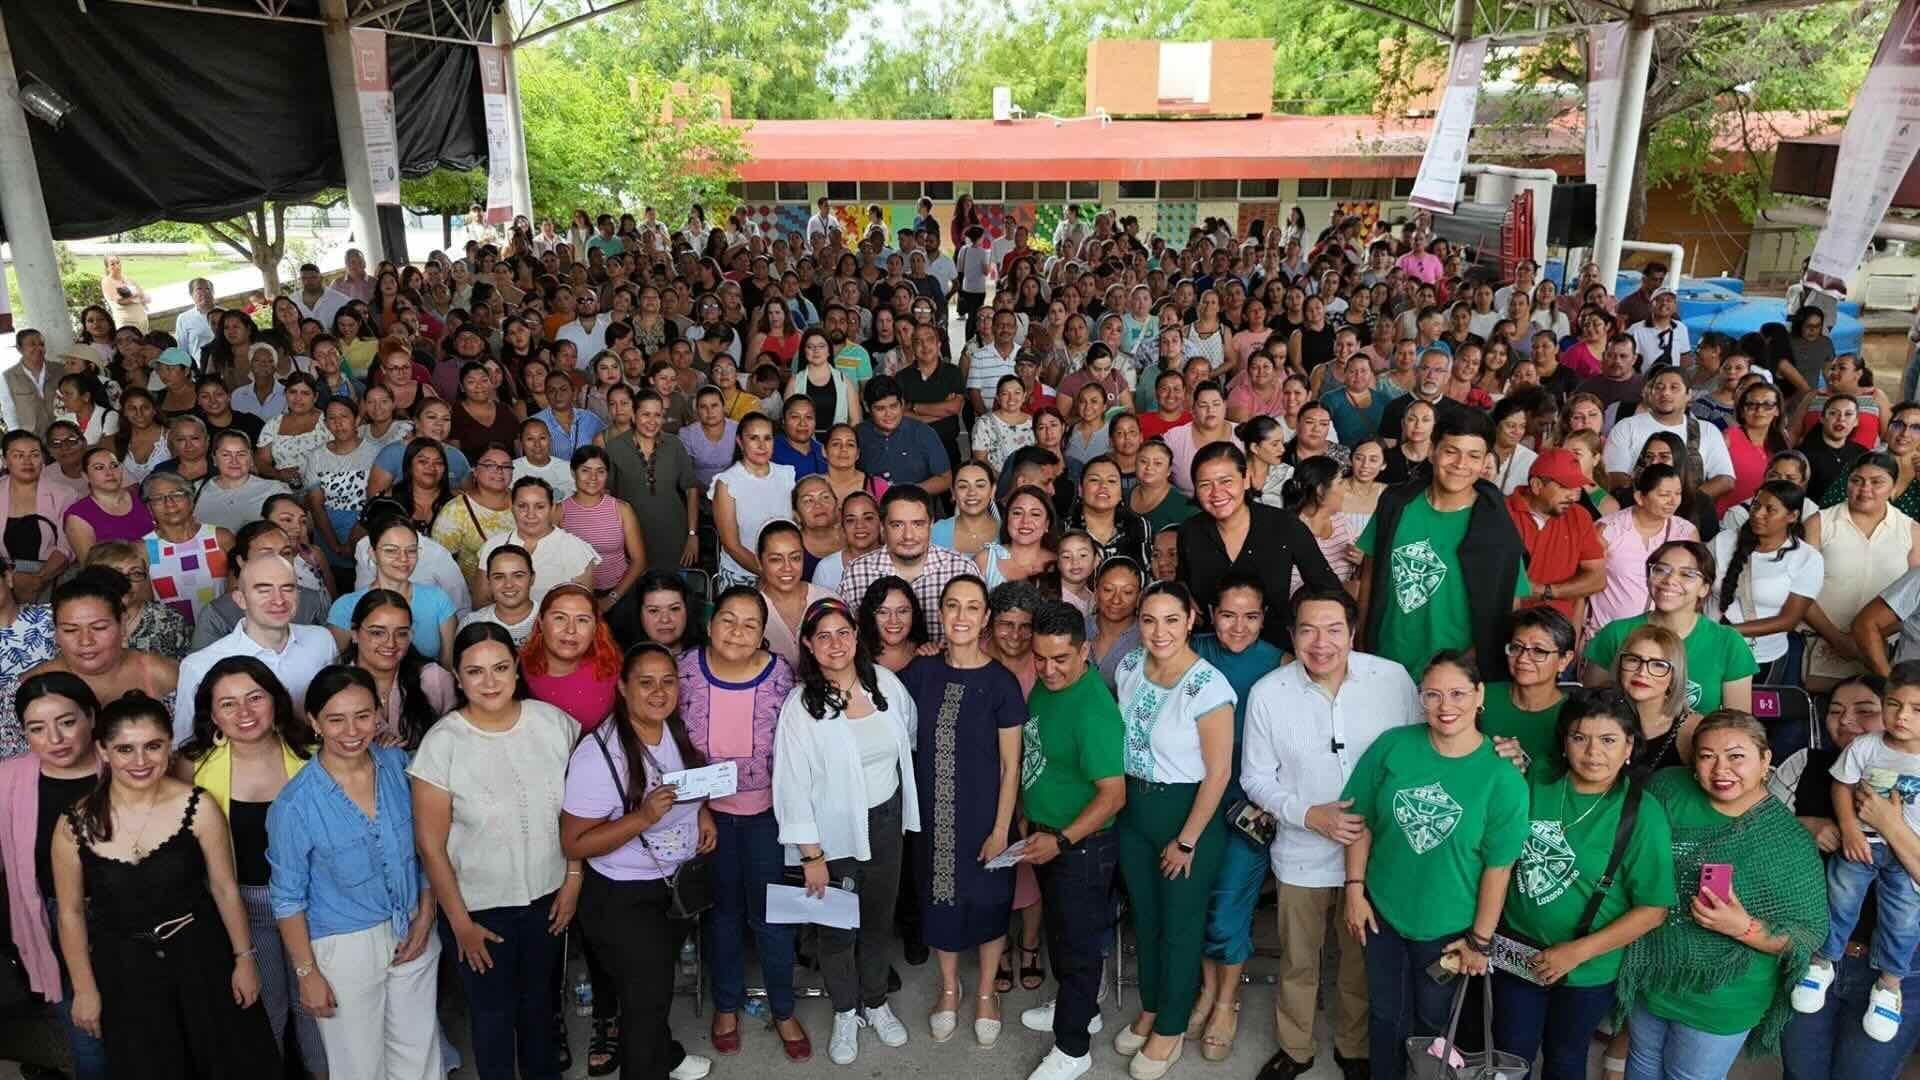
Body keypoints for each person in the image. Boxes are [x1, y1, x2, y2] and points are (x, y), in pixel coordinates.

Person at [49, 691, 282, 1077]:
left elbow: (225, 889)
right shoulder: (75, 823)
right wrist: (85, 988)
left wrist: (244, 960)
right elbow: (71, 913)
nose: (140, 761)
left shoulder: (198, 806)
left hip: (202, 957)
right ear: (103, 751)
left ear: (169, 746)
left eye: (153, 746)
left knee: (230, 1063)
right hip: (124, 970)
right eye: (125, 749)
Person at [1242, 586, 1417, 1080]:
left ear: (1352, 631)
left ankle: (1353, 1046)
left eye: (1334, 629)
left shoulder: (1392, 680)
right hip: (1300, 852)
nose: (1322, 643)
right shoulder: (1269, 693)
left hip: (1377, 853)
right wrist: (1307, 814)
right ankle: (1295, 1048)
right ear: (1293, 634)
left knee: (1360, 961)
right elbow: (1255, 777)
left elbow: (1421, 748)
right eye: (1308, 630)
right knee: (1299, 960)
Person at [1339, 651, 1529, 1080]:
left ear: (1480, 695)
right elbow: (1359, 821)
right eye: (1434, 695)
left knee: (1436, 1025)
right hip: (1382, 913)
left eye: (1459, 693)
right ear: (1420, 698)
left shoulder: (1502, 777)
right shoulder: (1393, 745)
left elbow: (1498, 868)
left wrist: (1480, 942)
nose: (1446, 706)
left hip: (1451, 928)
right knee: (1386, 1015)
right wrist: (1354, 889)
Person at [411, 622, 582, 1080]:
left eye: (501, 668)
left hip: (548, 900)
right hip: (480, 911)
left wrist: (572, 880)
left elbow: (578, 814)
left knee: (540, 1011)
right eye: (475, 672)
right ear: (458, 677)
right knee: (491, 1018)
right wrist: (461, 923)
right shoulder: (441, 744)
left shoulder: (553, 724)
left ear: (516, 668)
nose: (490, 682)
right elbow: (430, 844)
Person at [1615, 711, 1827, 1078]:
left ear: (1765, 761)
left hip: (1724, 995)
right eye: (1707, 755)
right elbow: (1627, 852)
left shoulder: (1786, 840)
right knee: (1642, 1064)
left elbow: (1806, 935)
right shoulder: (1667, 789)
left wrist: (1742, 926)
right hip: (1653, 967)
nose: (1720, 769)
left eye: (1736, 756)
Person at [1493, 687, 1675, 1080]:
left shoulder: (1643, 813)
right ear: (1564, 742)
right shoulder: (1536, 778)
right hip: (1517, 948)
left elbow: (1653, 909)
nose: (1594, 753)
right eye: (1580, 738)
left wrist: (1576, 953)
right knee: (1509, 1055)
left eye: (1608, 740)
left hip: (1587, 968)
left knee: (1565, 1056)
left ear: (1630, 746)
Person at [560, 642, 718, 1080]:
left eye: (668, 682)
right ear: (623, 688)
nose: (658, 692)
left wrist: (702, 812)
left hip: (672, 886)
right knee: (647, 999)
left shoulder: (673, 731)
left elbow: (682, 787)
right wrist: (641, 817)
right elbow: (574, 843)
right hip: (621, 897)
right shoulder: (600, 755)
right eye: (645, 683)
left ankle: (663, 1052)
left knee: (647, 993)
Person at [772, 596, 919, 1065]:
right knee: (837, 928)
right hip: (832, 834)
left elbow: (907, 738)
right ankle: (844, 1010)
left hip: (885, 822)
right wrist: (812, 856)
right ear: (810, 647)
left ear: (857, 637)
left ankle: (875, 1002)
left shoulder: (888, 685)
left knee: (878, 920)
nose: (835, 644)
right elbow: (791, 784)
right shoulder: (801, 707)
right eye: (823, 637)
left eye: (843, 633)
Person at [1110, 581, 1236, 1080]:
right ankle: (1152, 1006)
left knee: (1181, 927)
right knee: (1146, 918)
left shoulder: (1208, 688)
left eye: (1170, 619)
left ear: (1190, 620)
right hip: (1134, 809)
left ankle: (1173, 1026)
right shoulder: (1128, 667)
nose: (1159, 631)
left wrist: (1186, 840)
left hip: (1186, 814)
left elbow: (1219, 773)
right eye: (1148, 620)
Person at [677, 588, 809, 1059]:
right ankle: (727, 1004)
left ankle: (783, 1008)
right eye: (728, 620)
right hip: (709, 819)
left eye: (750, 624)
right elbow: (669, 745)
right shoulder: (685, 671)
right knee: (724, 914)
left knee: (772, 916)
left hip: (767, 818)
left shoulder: (782, 677)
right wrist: (698, 809)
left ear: (763, 635)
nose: (737, 631)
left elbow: (798, 750)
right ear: (710, 625)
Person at [901, 575, 1025, 1046]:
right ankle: (949, 988)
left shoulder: (1001, 683)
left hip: (986, 816)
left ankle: (987, 991)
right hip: (934, 820)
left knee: (992, 903)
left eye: (972, 608)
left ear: (986, 618)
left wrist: (1000, 829)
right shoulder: (920, 672)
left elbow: (1011, 767)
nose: (961, 617)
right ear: (941, 613)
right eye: (952, 606)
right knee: (941, 904)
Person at [1794, 660, 1920, 1041]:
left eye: (1916, 710)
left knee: (1904, 916)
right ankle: (1822, 961)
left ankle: (1890, 985)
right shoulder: (1866, 748)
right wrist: (1849, 827)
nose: (1902, 718)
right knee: (1840, 895)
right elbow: (1842, 787)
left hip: (1904, 853)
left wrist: (1893, 826)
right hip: (1863, 843)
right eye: (1894, 705)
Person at [1357, 410, 1530, 674]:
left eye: (1474, 456)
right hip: (1386, 662)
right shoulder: (1396, 504)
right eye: (1451, 451)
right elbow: (1369, 579)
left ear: (1485, 462)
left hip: (1455, 672)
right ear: (1432, 451)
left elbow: (1509, 604)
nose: (1461, 464)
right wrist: (1361, 645)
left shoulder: (1496, 525)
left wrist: (1466, 665)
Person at [0, 673, 109, 1078]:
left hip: (130, 918)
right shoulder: (8, 780)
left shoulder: (122, 764)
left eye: (67, 721)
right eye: (37, 728)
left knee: (144, 1032)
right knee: (88, 1036)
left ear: (91, 717)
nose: (55, 738)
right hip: (54, 919)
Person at [1175, 442, 1340, 653]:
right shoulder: (1190, 531)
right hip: (1209, 654)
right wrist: (1182, 595)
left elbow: (1327, 587)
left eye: (1226, 481)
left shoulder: (1284, 525)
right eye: (1205, 484)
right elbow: (1182, 581)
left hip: (1276, 651)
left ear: (1245, 480)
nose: (1216, 492)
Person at [838, 485, 976, 643]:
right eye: (897, 525)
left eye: (918, 524)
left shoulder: (962, 570)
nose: (908, 536)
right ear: (882, 527)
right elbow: (845, 636)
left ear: (931, 524)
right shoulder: (856, 574)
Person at [1588, 465, 1699, 637]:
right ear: (1640, 497)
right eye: (1664, 495)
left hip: (1662, 640)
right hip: (1606, 636)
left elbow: (1693, 588)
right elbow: (1585, 585)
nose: (1673, 501)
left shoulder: (1686, 533)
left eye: (1678, 494)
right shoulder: (1609, 530)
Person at [1507, 450, 1608, 627]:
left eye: (1577, 487)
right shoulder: (1501, 512)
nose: (1573, 495)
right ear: (1537, 485)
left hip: (1556, 633)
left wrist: (1546, 591)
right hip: (1505, 626)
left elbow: (1597, 579)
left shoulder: (1580, 516)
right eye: (1565, 487)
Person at [606, 391, 700, 575]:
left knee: (674, 595)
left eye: (657, 415)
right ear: (633, 415)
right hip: (631, 542)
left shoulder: (674, 445)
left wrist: (692, 535)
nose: (652, 421)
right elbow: (607, 496)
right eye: (645, 414)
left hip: (674, 538)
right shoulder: (614, 448)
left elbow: (691, 489)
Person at [711, 412, 797, 589]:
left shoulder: (787, 475)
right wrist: (768, 573)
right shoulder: (727, 483)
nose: (761, 445)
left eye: (767, 438)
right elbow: (731, 545)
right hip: (741, 577)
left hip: (785, 574)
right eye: (753, 438)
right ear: (740, 442)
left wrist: (783, 571)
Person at [523, 583, 622, 731]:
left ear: (595, 628)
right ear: (541, 623)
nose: (570, 630)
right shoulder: (514, 667)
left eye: (582, 620)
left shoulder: (612, 666)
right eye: (560, 618)